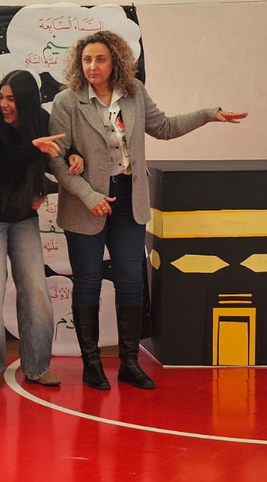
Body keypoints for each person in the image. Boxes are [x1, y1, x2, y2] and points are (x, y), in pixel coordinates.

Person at [48, 30, 247, 390]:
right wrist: (89, 196)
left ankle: (129, 362)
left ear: (116, 61)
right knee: (88, 283)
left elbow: (165, 128)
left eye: (100, 59)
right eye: (87, 59)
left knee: (131, 281)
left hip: (129, 199)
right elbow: (57, 159)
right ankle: (91, 363)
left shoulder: (135, 94)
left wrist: (209, 114)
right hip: (86, 203)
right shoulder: (67, 101)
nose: (92, 66)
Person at [0, 71, 71, 388]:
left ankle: (38, 366)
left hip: (24, 217)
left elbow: (54, 157)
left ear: (26, 100)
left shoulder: (41, 120)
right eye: (0, 97)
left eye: (11, 98)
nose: (3, 104)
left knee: (36, 290)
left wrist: (74, 158)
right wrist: (31, 148)